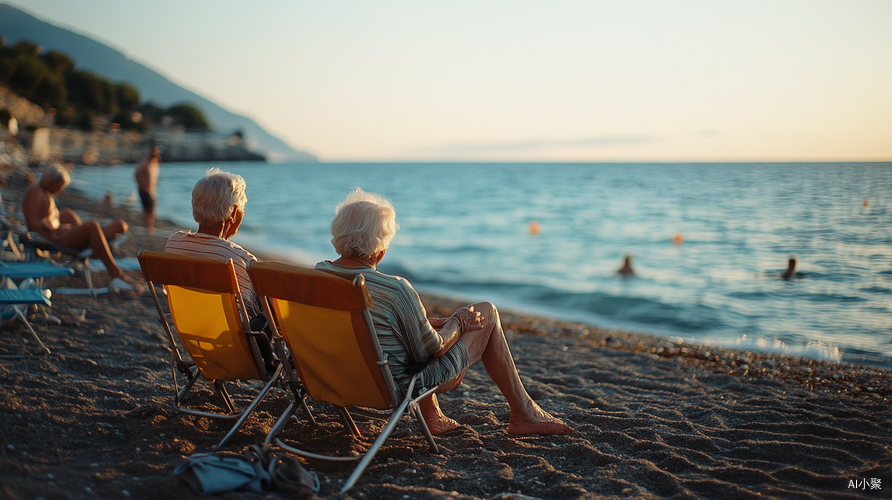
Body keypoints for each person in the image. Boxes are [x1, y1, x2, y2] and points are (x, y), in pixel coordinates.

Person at [316, 188, 572, 436]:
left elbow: (364, 329)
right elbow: (433, 350)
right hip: (391, 386)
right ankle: (524, 412)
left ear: (337, 236)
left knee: (415, 329)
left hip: (329, 378)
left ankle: (433, 416)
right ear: (381, 250)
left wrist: (425, 324)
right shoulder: (395, 290)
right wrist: (459, 322)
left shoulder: (315, 277)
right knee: (488, 312)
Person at [164, 168, 274, 369]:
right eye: (241, 209)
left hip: (192, 336)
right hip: (232, 345)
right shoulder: (239, 259)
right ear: (233, 212)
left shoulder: (174, 244)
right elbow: (254, 311)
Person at [21, 164, 144, 293]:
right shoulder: (35, 192)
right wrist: (55, 230)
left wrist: (58, 226)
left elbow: (41, 220)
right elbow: (33, 224)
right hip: (55, 240)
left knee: (69, 214)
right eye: (60, 186)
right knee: (92, 226)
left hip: (58, 235)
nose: (60, 190)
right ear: (53, 182)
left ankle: (95, 242)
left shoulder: (42, 191)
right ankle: (116, 274)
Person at [134, 146, 160, 234]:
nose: (154, 154)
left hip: (151, 190)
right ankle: (147, 227)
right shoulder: (145, 162)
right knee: (147, 209)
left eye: (156, 152)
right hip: (145, 189)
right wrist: (141, 184)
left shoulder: (154, 163)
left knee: (151, 209)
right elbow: (136, 173)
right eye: (153, 152)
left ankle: (150, 227)